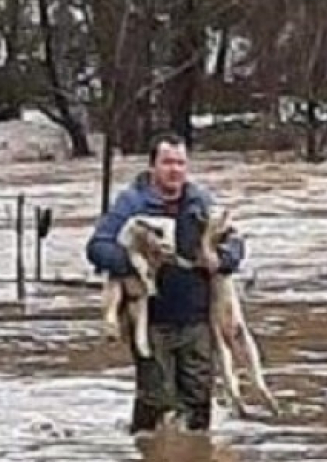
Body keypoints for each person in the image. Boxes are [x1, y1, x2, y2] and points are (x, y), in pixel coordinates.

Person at [86, 134, 244, 434]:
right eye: (168, 162)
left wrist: (222, 259)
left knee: (198, 403)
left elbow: (235, 242)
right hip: (151, 320)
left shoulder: (200, 202)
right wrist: (136, 260)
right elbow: (97, 247)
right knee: (156, 400)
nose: (175, 170)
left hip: (196, 319)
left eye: (181, 163)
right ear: (153, 166)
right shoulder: (132, 203)